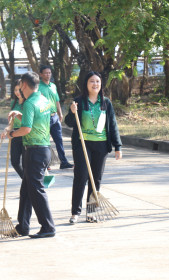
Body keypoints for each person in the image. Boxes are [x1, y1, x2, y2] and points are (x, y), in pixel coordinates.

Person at [65, 71, 122, 224]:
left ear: (101, 84)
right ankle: (75, 212)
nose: (95, 84)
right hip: (83, 144)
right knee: (81, 177)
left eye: (97, 81)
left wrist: (118, 146)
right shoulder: (78, 101)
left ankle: (91, 212)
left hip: (101, 145)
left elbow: (113, 124)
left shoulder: (106, 103)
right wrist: (72, 112)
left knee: (95, 179)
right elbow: (69, 122)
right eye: (92, 81)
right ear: (86, 84)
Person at [3, 72, 56, 239]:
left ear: (24, 85)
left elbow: (26, 129)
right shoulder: (43, 100)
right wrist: (19, 115)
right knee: (26, 190)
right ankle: (23, 226)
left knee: (36, 190)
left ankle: (48, 226)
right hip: (43, 148)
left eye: (20, 87)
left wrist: (11, 134)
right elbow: (37, 120)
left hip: (34, 150)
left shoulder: (29, 103)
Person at [39, 65, 74, 170]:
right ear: (41, 74)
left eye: (49, 73)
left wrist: (60, 113)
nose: (48, 75)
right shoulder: (38, 87)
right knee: (45, 141)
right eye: (45, 73)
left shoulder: (53, 86)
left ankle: (63, 162)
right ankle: (46, 163)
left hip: (55, 117)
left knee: (59, 140)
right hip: (44, 118)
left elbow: (57, 100)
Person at [2, 80, 24, 178]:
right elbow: (11, 122)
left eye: (19, 89)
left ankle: (27, 184)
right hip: (14, 134)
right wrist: (7, 129)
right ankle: (26, 180)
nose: (17, 92)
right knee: (14, 162)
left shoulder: (28, 103)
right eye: (15, 90)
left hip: (25, 133)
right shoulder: (13, 103)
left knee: (26, 164)